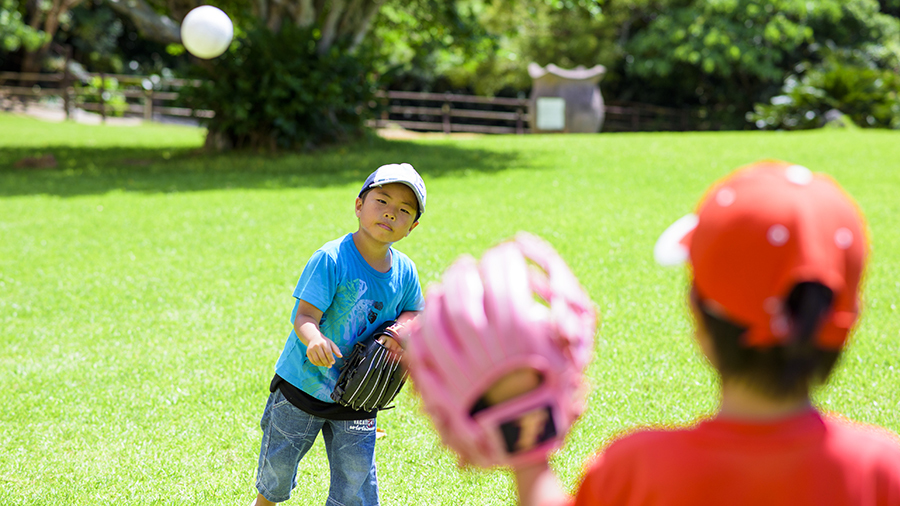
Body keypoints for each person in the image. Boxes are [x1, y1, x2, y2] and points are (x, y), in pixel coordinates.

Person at [410, 160, 900, 506]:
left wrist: (528, 452)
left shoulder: (638, 471)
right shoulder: (884, 472)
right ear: (842, 322)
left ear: (699, 322)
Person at [250, 163, 427, 506]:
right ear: (359, 205)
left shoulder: (405, 271)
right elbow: (304, 315)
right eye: (382, 201)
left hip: (359, 397)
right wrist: (313, 338)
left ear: (412, 227)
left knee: (355, 479)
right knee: (279, 468)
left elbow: (415, 311)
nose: (390, 214)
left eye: (403, 210)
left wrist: (398, 330)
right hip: (303, 386)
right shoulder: (331, 258)